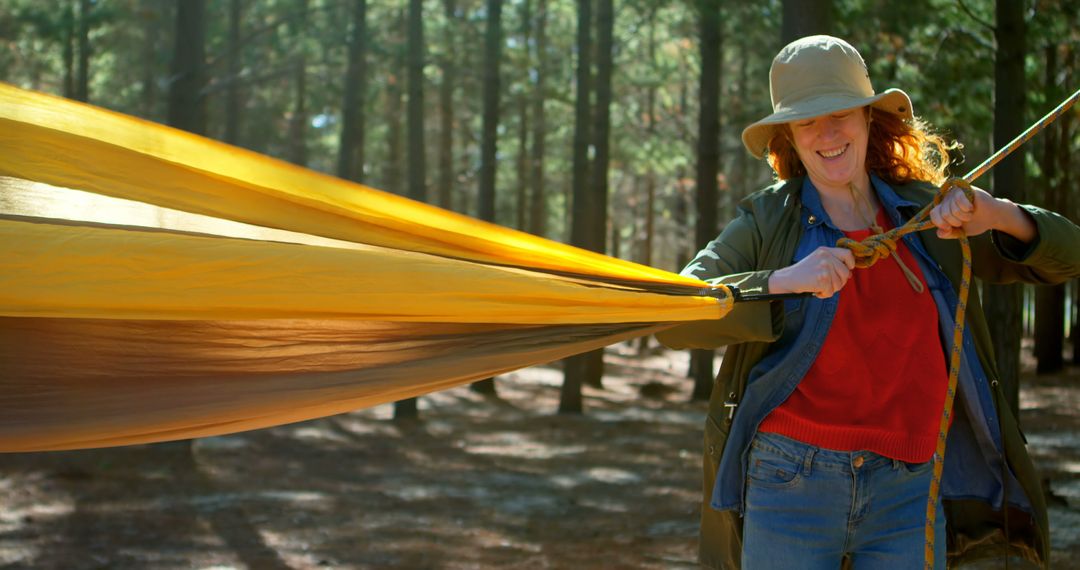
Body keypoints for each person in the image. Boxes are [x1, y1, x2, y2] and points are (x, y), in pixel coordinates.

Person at [657, 35, 1080, 569]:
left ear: (867, 119)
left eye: (840, 114)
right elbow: (677, 314)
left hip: (910, 490)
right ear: (788, 134)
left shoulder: (928, 216)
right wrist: (783, 280)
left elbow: (1069, 256)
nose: (827, 134)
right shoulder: (768, 220)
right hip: (789, 484)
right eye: (807, 120)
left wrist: (997, 214)